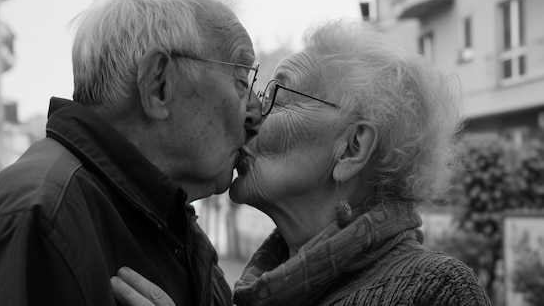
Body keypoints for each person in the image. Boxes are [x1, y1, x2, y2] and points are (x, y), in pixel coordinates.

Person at [0, 0, 262, 306]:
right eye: (241, 81)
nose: (255, 113)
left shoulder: (155, 216)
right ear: (159, 84)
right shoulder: (40, 218)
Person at [113, 21, 492, 306]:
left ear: (351, 149)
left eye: (278, 95)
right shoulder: (242, 285)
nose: (250, 114)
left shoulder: (437, 289)